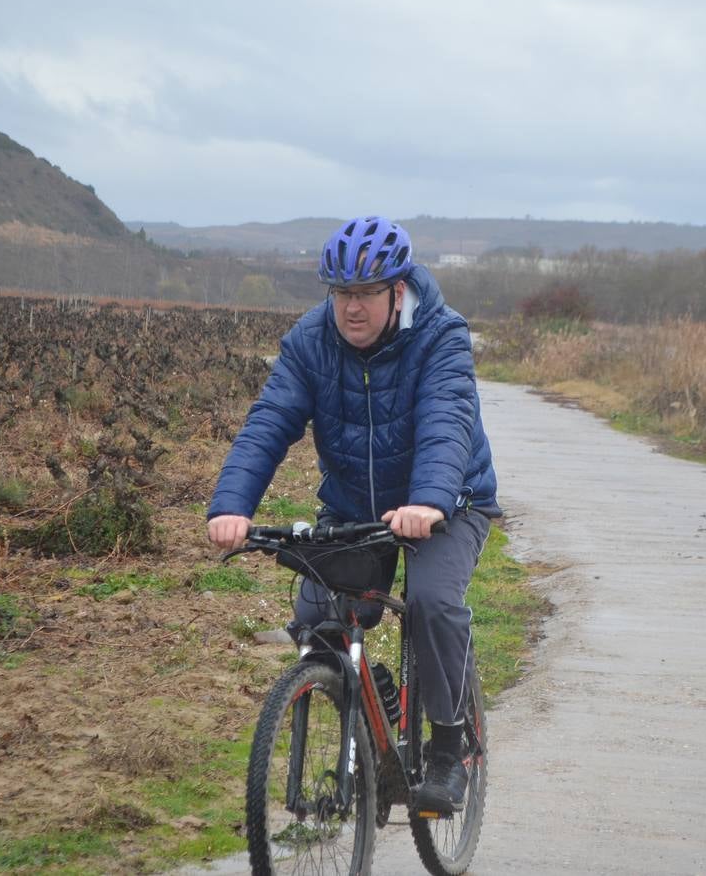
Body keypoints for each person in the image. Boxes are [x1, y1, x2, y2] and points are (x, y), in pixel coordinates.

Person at [207, 215, 501, 813]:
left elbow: (447, 421)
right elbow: (269, 423)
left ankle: (449, 749)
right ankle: (378, 719)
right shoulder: (310, 342)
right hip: (356, 508)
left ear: (398, 290)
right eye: (341, 293)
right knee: (319, 618)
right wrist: (232, 506)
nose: (352, 307)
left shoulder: (441, 335)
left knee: (431, 602)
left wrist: (429, 502)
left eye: (366, 293)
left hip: (449, 502)